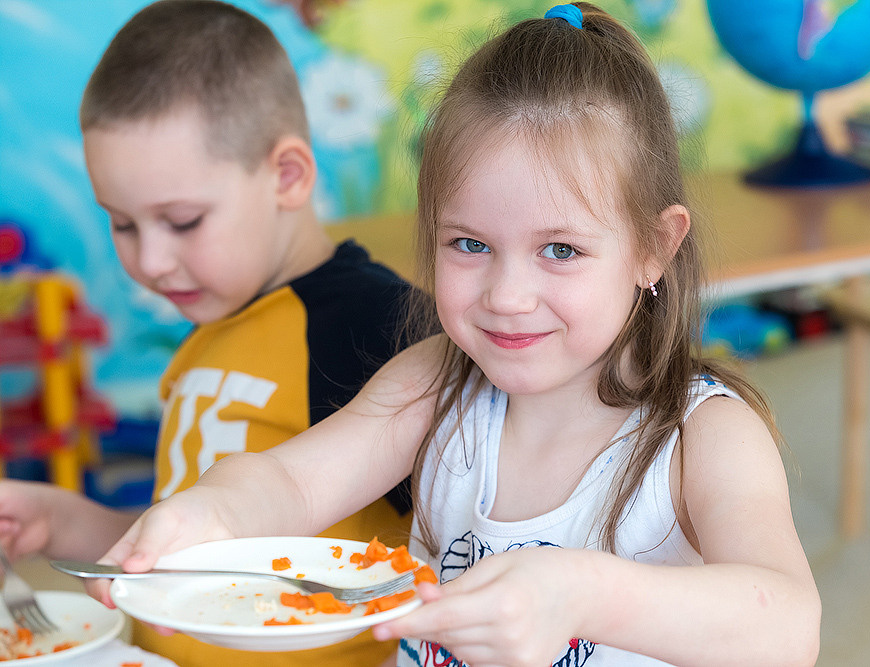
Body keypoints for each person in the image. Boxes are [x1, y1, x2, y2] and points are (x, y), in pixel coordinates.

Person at [93, 3, 822, 665]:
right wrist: (214, 509)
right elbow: (290, 480)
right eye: (469, 244)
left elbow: (789, 626)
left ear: (653, 248)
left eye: (560, 249)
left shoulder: (706, 433)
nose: (506, 296)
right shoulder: (431, 384)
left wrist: (583, 594)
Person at [0, 2, 414, 666]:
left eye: (183, 221)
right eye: (123, 223)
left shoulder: (376, 323)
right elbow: (179, 555)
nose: (150, 262)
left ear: (287, 176)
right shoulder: (206, 336)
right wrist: (56, 519)